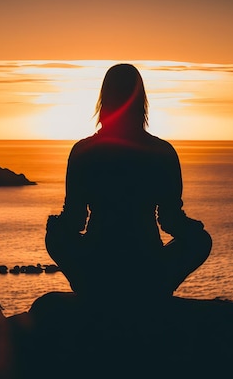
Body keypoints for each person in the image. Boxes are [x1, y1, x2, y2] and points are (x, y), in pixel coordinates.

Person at [46, 64, 212, 303]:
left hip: (96, 261)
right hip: (148, 263)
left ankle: (90, 288)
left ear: (104, 99)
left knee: (55, 236)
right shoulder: (161, 151)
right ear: (141, 100)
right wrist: (194, 229)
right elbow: (170, 220)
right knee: (201, 241)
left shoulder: (84, 150)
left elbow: (74, 220)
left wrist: (55, 226)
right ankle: (155, 290)